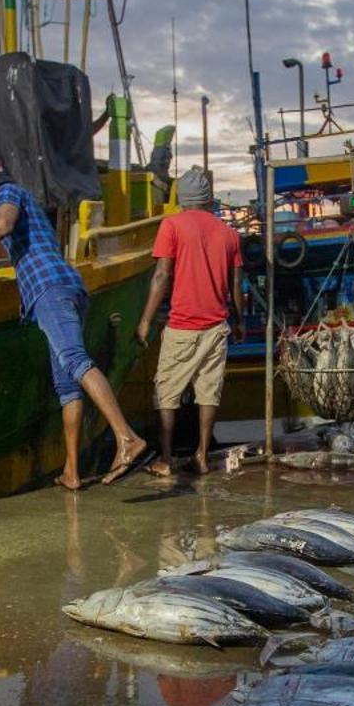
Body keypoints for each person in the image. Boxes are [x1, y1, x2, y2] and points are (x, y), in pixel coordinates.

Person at [0, 149, 150, 489]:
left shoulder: (7, 194)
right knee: (67, 386)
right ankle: (71, 471)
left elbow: (4, 224)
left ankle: (126, 437)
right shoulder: (22, 196)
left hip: (49, 290)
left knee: (75, 360)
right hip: (67, 287)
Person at [136, 167, 242, 479]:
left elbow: (162, 275)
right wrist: (237, 321)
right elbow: (236, 286)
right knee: (208, 392)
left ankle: (167, 459)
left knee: (166, 392)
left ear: (182, 199)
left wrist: (144, 320)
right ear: (208, 199)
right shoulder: (229, 234)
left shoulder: (172, 225)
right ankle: (201, 455)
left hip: (182, 326)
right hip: (216, 326)